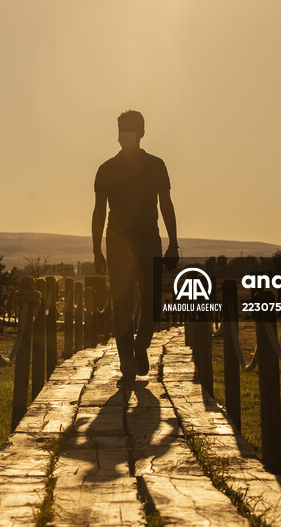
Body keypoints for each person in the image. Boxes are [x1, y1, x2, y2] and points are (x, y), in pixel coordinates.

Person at [92, 109, 179, 383]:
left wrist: (174, 243)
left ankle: (140, 346)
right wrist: (97, 249)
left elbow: (165, 204)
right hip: (117, 243)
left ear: (141, 133)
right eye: (121, 129)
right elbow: (98, 212)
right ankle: (127, 365)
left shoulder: (156, 165)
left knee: (151, 299)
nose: (124, 135)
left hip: (149, 240)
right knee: (122, 304)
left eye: (129, 129)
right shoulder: (106, 169)